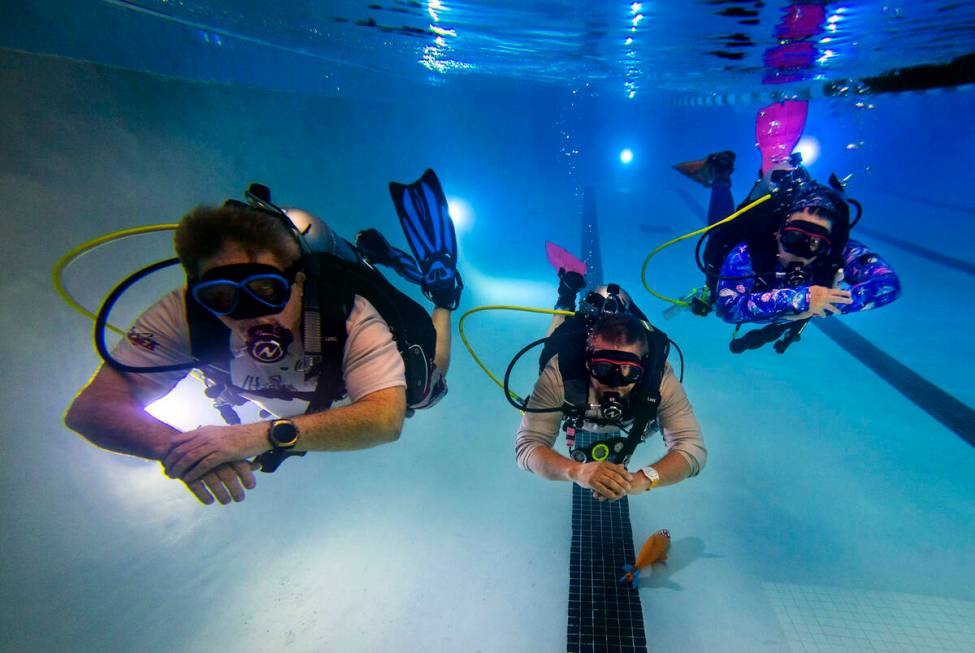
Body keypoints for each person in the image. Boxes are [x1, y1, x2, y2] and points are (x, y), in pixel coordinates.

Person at [65, 170, 463, 506]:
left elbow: (384, 418)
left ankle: (442, 298)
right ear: (199, 293)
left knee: (425, 386)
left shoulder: (349, 312)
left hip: (348, 376)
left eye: (267, 290)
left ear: (300, 282)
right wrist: (182, 449)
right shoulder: (186, 314)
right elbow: (92, 408)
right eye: (221, 297)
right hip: (303, 398)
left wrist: (259, 436)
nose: (250, 313)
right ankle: (377, 263)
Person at [674, 100, 901, 336]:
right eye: (794, 237)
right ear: (778, 233)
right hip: (735, 247)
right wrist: (804, 298)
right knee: (719, 229)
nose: (801, 251)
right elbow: (729, 308)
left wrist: (832, 301)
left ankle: (775, 168)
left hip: (783, 299)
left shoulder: (839, 252)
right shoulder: (748, 251)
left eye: (816, 243)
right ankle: (722, 171)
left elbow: (888, 285)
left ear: (828, 245)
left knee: (776, 175)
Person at [514, 284, 706, 501]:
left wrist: (642, 480)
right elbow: (527, 447)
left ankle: (615, 312)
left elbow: (693, 449)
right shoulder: (560, 372)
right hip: (571, 387)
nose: (615, 382)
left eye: (628, 371)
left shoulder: (659, 377)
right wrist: (575, 471)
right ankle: (566, 295)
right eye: (603, 368)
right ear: (587, 362)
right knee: (557, 336)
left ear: (643, 367)